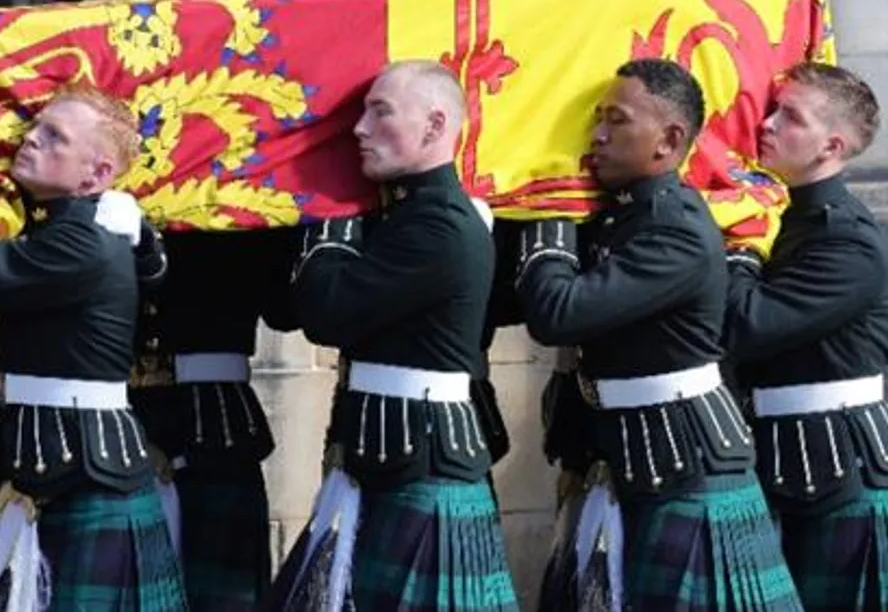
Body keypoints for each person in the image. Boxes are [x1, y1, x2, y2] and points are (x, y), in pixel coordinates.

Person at [515, 58, 802, 612]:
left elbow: (559, 311)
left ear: (669, 140)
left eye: (616, 121)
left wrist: (544, 214)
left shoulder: (677, 230)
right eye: (597, 118)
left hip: (684, 464)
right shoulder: (620, 216)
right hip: (628, 458)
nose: (596, 135)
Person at [0, 82, 187, 612]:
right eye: (34, 128)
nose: (30, 139)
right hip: (50, 468)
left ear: (98, 174)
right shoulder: (69, 229)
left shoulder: (78, 242)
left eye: (54, 137)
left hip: (82, 471)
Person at [268, 60, 518, 612]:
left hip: (421, 465)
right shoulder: (402, 216)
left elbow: (326, 313)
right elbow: (283, 308)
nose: (358, 129)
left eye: (380, 112)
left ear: (434, 125)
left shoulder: (441, 225)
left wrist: (328, 210)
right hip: (377, 460)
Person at [723, 62, 888, 612]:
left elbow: (745, 325)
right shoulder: (788, 216)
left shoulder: (849, 241)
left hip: (842, 473)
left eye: (790, 117)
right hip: (783, 463)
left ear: (831, 146)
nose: (766, 123)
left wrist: (740, 245)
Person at [129, 226, 299, 611]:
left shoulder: (248, 207)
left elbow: (286, 310)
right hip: (118, 421)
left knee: (224, 596)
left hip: (219, 426)